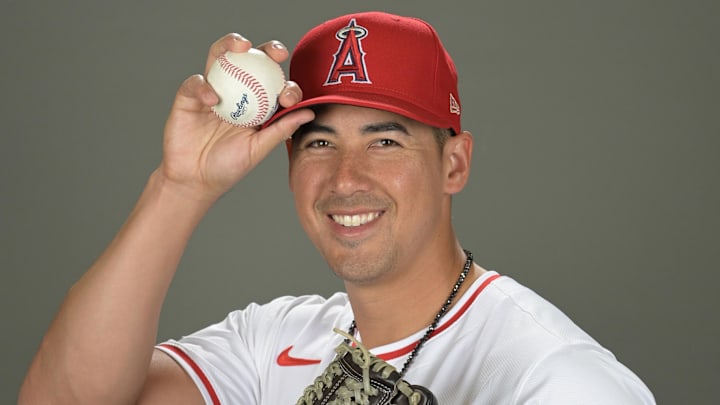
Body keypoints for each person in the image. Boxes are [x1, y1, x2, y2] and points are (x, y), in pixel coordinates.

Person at [19, 11, 655, 404]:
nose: (346, 178)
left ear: (453, 164)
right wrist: (179, 187)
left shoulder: (553, 377)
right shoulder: (271, 343)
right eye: (320, 141)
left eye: (385, 140)